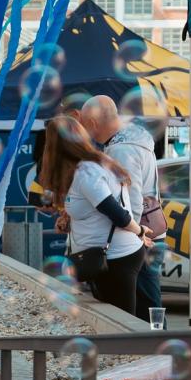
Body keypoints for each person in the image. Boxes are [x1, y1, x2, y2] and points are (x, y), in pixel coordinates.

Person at [41, 114, 151, 316]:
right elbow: (96, 209)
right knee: (112, 319)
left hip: (116, 258)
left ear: (55, 146)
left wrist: (140, 231)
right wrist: (69, 220)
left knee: (121, 322)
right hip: (104, 257)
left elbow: (117, 214)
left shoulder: (87, 172)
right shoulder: (89, 166)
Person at [79, 95, 162, 319]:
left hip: (138, 236)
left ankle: (154, 340)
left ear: (93, 123)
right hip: (148, 228)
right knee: (149, 300)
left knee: (142, 304)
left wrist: (134, 234)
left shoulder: (120, 150)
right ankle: (157, 337)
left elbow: (130, 200)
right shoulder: (136, 140)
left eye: (86, 125)